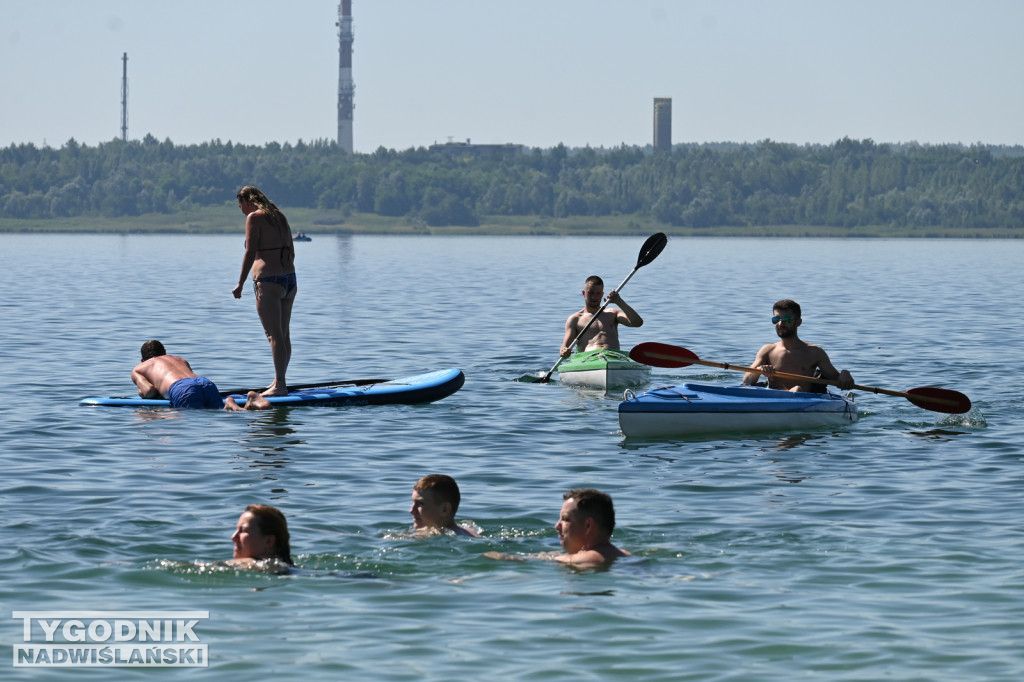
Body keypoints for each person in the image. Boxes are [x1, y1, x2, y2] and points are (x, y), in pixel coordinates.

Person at [232, 186, 297, 397]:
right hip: (289, 280)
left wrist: (240, 283)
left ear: (247, 201)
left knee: (273, 335)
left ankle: (280, 385)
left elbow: (250, 252)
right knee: (284, 333)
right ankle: (280, 380)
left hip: (267, 281)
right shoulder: (279, 216)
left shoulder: (254, 217)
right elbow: (291, 251)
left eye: (241, 205)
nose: (242, 210)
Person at [741, 299, 855, 393]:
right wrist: (760, 370)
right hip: (773, 399)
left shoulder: (815, 353)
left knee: (797, 390)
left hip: (802, 402)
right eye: (776, 319)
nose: (780, 324)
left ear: (798, 322)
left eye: (786, 319)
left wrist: (845, 373)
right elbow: (746, 381)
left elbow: (837, 380)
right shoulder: (767, 350)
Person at [131, 339, 271, 411]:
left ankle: (238, 404)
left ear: (143, 360)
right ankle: (242, 401)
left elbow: (149, 392)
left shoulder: (140, 368)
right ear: (165, 352)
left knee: (186, 416)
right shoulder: (179, 359)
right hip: (204, 383)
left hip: (182, 389)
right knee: (220, 411)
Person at [560, 275, 643, 358]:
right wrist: (565, 351)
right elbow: (564, 348)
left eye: (598, 293)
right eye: (591, 293)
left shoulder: (613, 313)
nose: (594, 297)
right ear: (584, 293)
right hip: (588, 360)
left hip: (613, 358)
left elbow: (637, 323)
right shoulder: (575, 319)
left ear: (602, 294)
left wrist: (619, 302)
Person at [553, 488, 630, 567]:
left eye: (566, 519)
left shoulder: (587, 559)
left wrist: (544, 557)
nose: (557, 526)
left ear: (588, 525)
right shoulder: (624, 554)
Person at [409, 474, 480, 537]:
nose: (411, 511)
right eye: (413, 502)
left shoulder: (431, 535)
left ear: (444, 509)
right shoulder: (471, 532)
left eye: (421, 503)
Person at [228, 504, 295, 569]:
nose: (233, 537)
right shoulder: (287, 565)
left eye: (243, 531)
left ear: (269, 541)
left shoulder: (256, 563)